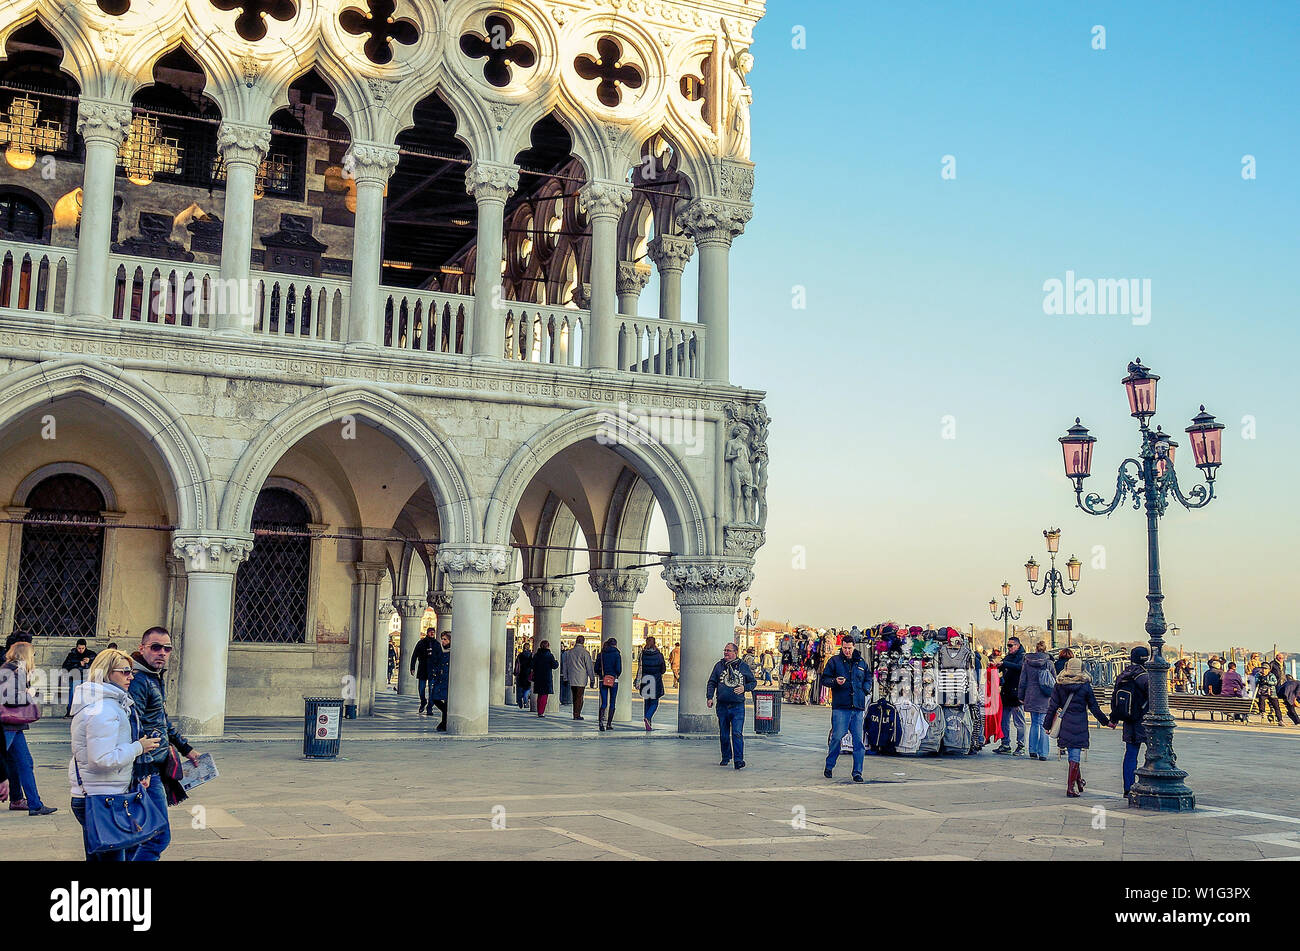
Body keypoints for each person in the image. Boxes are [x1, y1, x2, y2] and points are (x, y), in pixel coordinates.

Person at [68, 649, 163, 861]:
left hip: (98, 794)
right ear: (108, 673)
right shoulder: (103, 710)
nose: (131, 676)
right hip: (103, 798)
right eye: (125, 671)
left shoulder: (106, 705)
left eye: (131, 672)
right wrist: (139, 747)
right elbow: (102, 759)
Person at [128, 627, 199, 861]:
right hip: (146, 768)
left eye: (167, 648)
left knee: (137, 837)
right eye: (155, 647)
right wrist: (144, 767)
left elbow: (161, 719)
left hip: (153, 764)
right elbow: (133, 725)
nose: (162, 653)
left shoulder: (152, 677)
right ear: (142, 648)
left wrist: (185, 748)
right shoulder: (138, 679)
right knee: (158, 835)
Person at [1043, 656, 1113, 797]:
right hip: (1079, 721)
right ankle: (1070, 788)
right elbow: (1094, 707)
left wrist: (1047, 724)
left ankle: (1079, 781)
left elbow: (1052, 707)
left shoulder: (1059, 685)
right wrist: (1106, 722)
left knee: (1072, 751)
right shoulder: (1085, 686)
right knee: (1075, 753)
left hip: (1065, 722)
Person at [1, 640, 57, 815]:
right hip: (8, 724)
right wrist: (29, 694)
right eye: (32, 654)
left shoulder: (12, 669)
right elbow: (9, 698)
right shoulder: (12, 671)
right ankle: (34, 804)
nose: (33, 657)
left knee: (26, 763)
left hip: (14, 725)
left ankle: (35, 804)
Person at [821, 633, 870, 782]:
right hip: (841, 707)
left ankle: (857, 772)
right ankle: (829, 765)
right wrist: (835, 681)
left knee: (858, 741)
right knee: (837, 737)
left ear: (853, 647)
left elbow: (868, 677)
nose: (847, 651)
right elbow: (824, 679)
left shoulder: (861, 662)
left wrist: (865, 689)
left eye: (849, 648)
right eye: (844, 648)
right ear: (841, 647)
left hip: (857, 707)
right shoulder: (834, 661)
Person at [706, 642, 756, 770]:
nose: (726, 653)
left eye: (728, 651)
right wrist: (709, 697)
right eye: (725, 650)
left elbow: (753, 682)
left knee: (737, 733)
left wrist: (745, 688)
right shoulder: (719, 666)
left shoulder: (743, 666)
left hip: (737, 706)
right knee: (724, 733)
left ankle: (739, 760)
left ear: (735, 652)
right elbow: (712, 682)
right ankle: (726, 756)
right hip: (722, 705)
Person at [1109, 646, 1151, 797]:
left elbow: (1116, 699)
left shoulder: (1122, 675)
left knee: (1131, 754)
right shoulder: (1145, 676)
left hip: (1128, 719)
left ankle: (1128, 787)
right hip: (1144, 719)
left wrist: (1113, 718)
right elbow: (1155, 697)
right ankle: (1150, 783)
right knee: (1154, 750)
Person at [1017, 640, 1055, 760]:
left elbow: (1022, 681)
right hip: (1045, 696)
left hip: (1031, 695)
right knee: (1043, 724)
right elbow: (1054, 680)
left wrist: (1021, 696)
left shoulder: (1027, 662)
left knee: (1034, 723)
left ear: (1036, 649)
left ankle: (1032, 750)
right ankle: (1043, 753)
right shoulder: (1049, 663)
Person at [995, 636, 1026, 755]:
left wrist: (1004, 663)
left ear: (1017, 646)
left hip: (1017, 693)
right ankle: (1005, 744)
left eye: (1011, 645)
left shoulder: (1023, 657)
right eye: (1008, 645)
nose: (1008, 648)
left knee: (1019, 721)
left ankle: (1021, 745)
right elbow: (1005, 669)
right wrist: (998, 667)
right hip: (1006, 692)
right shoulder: (1008, 657)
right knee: (1004, 720)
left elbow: (1019, 668)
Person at [562, 635, 596, 721]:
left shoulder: (569, 652)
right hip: (581, 678)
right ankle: (577, 714)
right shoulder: (585, 653)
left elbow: (565, 666)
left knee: (574, 696)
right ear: (583, 641)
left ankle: (575, 713)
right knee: (579, 696)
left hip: (572, 677)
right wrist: (592, 679)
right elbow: (589, 667)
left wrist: (565, 677)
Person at [61, 638, 97, 718]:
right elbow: (65, 666)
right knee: (73, 694)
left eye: (82, 648)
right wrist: (78, 663)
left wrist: (89, 661)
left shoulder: (91, 654)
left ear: (85, 647)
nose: (81, 650)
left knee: (87, 695)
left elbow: (97, 662)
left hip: (86, 677)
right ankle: (70, 711)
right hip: (75, 677)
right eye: (79, 648)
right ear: (76, 647)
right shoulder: (72, 655)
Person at [638, 636, 667, 732]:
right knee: (654, 702)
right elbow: (663, 669)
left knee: (647, 701)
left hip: (645, 679)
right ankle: (648, 717)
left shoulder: (643, 654)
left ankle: (648, 723)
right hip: (655, 679)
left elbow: (640, 667)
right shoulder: (659, 655)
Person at [410, 628, 438, 716]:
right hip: (422, 668)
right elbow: (414, 655)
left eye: (433, 632)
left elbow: (440, 657)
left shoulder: (436, 644)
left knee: (431, 689)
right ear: (427, 633)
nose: (432, 633)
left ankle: (430, 707)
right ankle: (423, 701)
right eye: (431, 632)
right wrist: (412, 667)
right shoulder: (421, 643)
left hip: (432, 669)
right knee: (421, 689)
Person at [595, 638, 622, 732]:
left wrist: (601, 674)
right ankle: (609, 724)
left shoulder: (601, 654)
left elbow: (596, 668)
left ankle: (601, 722)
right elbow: (619, 669)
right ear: (615, 644)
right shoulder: (617, 654)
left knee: (604, 702)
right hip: (613, 680)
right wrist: (615, 675)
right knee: (612, 702)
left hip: (603, 680)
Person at [427, 632, 450, 730]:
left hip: (447, 681)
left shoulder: (452, 654)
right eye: (442, 639)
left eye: (445, 639)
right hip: (440, 680)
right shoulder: (441, 651)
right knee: (435, 698)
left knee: (445, 700)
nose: (443, 641)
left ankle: (444, 723)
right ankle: (446, 718)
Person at [1252, 659, 1283, 725]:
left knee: (1276, 706)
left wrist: (1267, 682)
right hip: (1263, 692)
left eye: (1265, 669)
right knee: (1261, 700)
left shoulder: (1271, 675)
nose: (1264, 670)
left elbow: (1275, 682)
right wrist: (1260, 680)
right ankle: (1262, 712)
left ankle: (1280, 719)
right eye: (1262, 669)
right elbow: (1256, 681)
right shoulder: (1258, 675)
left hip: (1272, 692)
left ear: (1268, 670)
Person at [532, 640, 558, 717]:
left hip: (538, 677)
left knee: (540, 695)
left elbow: (532, 664)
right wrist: (556, 662)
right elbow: (554, 666)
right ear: (548, 646)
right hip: (546, 677)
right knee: (544, 696)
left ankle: (539, 711)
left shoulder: (536, 655)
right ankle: (541, 712)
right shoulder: (549, 655)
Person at [984, 648, 1004, 747]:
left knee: (989, 718)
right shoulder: (993, 669)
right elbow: (996, 684)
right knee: (995, 717)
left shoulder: (989, 668)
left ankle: (985, 737)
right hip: (993, 695)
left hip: (988, 694)